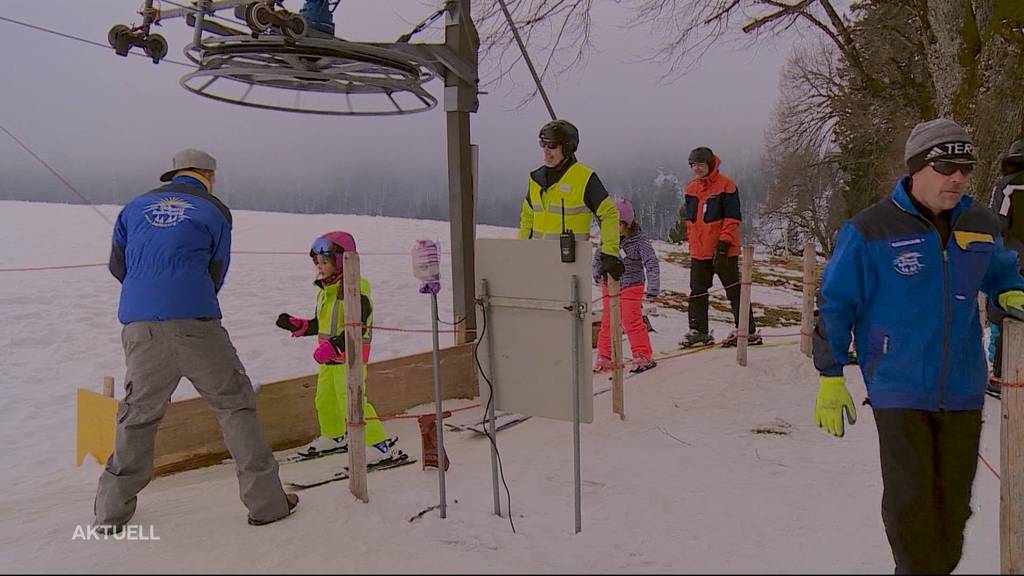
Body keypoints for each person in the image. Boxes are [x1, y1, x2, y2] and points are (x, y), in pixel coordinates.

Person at [812, 119, 1024, 574]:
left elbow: (1002, 270)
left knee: (953, 512)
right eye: (947, 165)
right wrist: (830, 376)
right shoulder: (870, 229)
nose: (959, 178)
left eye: (966, 168)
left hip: (963, 387)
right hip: (899, 385)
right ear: (917, 168)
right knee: (911, 508)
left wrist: (1010, 290)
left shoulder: (981, 223)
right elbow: (835, 302)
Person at [94, 149, 297, 532]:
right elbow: (217, 269)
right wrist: (186, 298)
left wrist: (149, 297)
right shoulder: (214, 210)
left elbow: (117, 265)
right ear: (209, 175)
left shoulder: (134, 207)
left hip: (140, 326)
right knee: (235, 405)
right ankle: (267, 505)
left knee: (137, 416)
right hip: (197, 324)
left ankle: (110, 513)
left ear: (172, 175)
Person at [276, 231, 399, 464]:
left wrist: (334, 346)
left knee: (353, 402)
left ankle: (379, 445)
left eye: (325, 262)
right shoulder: (326, 292)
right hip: (329, 361)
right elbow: (321, 324)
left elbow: (358, 325)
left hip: (350, 359)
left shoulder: (356, 290)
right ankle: (334, 436)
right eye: (317, 263)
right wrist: (300, 325)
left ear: (341, 262)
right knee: (325, 400)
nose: (319, 267)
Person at [519, 119, 624, 281]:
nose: (546, 151)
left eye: (552, 146)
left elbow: (609, 214)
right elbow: (527, 217)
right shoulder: (535, 179)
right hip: (537, 264)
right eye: (543, 144)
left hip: (570, 269)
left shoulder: (585, 178)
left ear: (567, 147)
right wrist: (521, 250)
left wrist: (609, 253)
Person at [679, 146, 761, 348]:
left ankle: (747, 330)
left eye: (700, 164)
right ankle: (699, 331)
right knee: (697, 292)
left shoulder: (727, 186)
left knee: (734, 291)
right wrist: (692, 246)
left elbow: (732, 219)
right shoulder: (690, 189)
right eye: (693, 165)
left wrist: (723, 246)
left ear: (710, 164)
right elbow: (691, 221)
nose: (697, 169)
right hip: (699, 252)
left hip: (723, 251)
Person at [592, 197, 661, 375]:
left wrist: (653, 288)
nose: (614, 228)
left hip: (632, 285)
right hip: (610, 286)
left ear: (628, 223)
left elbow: (651, 263)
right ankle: (604, 356)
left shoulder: (640, 241)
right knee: (608, 322)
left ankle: (643, 355)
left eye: (618, 224)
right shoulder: (608, 239)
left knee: (631, 321)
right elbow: (598, 257)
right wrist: (597, 273)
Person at [986, 137, 1024, 393]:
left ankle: (1000, 374)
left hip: (1013, 259)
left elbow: (995, 224)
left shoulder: (1007, 186)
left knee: (1002, 313)